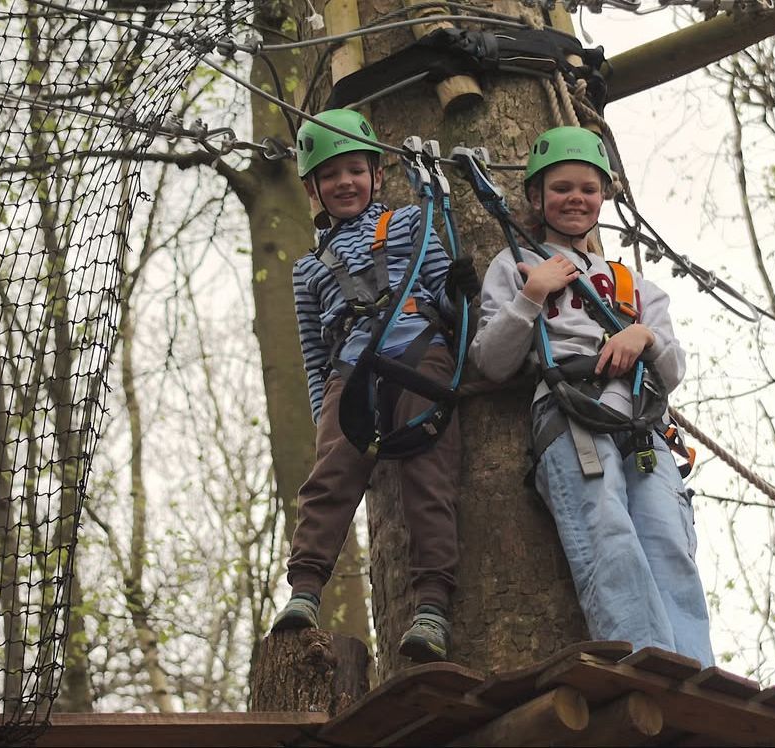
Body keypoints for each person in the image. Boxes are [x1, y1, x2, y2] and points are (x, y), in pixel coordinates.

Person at [468, 126, 714, 666]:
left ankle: (696, 673)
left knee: (669, 544)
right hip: (571, 414)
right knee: (608, 534)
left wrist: (643, 336)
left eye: (588, 188)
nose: (576, 199)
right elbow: (491, 359)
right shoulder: (516, 267)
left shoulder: (633, 286)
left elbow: (671, 370)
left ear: (604, 196)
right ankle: (649, 663)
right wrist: (532, 295)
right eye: (561, 188)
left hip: (641, 422)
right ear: (536, 198)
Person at [271, 109, 479, 664]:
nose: (345, 183)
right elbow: (316, 356)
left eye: (356, 171)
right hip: (353, 368)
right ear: (314, 188)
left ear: (377, 175)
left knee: (429, 475)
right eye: (331, 175)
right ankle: (306, 590)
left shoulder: (412, 223)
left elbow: (445, 299)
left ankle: (431, 605)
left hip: (419, 353)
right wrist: (326, 417)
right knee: (330, 476)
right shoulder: (308, 269)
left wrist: (462, 294)